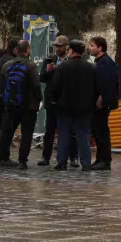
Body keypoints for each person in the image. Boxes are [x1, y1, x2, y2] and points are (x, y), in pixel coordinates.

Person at [0, 40, 42, 169]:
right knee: (27, 133)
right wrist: (39, 99)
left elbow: (2, 84)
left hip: (11, 104)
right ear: (28, 50)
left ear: (17, 50)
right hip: (29, 106)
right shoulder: (31, 65)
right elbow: (36, 85)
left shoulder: (7, 65)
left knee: (6, 132)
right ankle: (22, 161)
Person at [49, 40, 98, 171]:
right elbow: (96, 88)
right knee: (83, 135)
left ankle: (62, 162)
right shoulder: (91, 67)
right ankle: (86, 163)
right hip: (84, 108)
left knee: (64, 134)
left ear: (70, 50)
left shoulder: (63, 67)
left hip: (65, 106)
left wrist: (56, 100)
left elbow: (55, 86)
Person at [38, 35, 78, 167]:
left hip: (67, 100)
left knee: (69, 130)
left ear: (66, 47)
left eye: (60, 46)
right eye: (56, 46)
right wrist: (47, 71)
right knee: (50, 130)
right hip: (52, 100)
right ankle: (46, 157)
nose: (57, 49)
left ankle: (73, 157)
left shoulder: (72, 60)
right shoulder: (50, 60)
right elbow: (42, 78)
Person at [89, 36, 119, 171]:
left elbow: (108, 83)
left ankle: (105, 160)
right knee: (97, 131)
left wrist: (101, 99)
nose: (90, 48)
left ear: (100, 47)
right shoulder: (100, 62)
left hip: (102, 104)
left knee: (101, 131)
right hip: (97, 103)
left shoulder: (106, 62)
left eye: (92, 45)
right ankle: (100, 158)